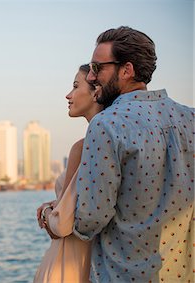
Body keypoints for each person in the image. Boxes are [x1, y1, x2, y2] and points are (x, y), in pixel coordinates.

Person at [73, 26, 194, 282]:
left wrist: (55, 216)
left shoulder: (106, 124)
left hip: (123, 275)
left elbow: (90, 219)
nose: (92, 77)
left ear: (126, 70)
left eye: (97, 68)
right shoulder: (191, 118)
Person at [34, 64, 103, 283]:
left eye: (75, 86)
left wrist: (46, 212)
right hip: (93, 265)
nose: (68, 94)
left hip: (66, 264)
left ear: (96, 92)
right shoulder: (111, 143)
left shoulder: (83, 147)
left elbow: (61, 226)